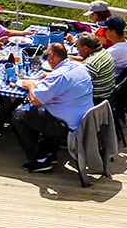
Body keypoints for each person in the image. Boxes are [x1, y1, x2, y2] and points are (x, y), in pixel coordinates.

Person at [11, 41, 94, 174]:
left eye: (46, 56)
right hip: (84, 119)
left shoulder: (59, 75)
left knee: (18, 115)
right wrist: (49, 77)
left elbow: (36, 100)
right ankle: (48, 152)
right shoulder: (78, 67)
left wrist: (31, 86)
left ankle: (39, 160)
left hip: (67, 127)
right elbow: (65, 82)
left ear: (51, 57)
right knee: (40, 111)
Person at [74, 32, 115, 109]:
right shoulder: (104, 52)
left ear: (86, 48)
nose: (78, 50)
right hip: (108, 93)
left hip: (97, 99)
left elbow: (76, 83)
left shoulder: (90, 64)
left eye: (78, 48)